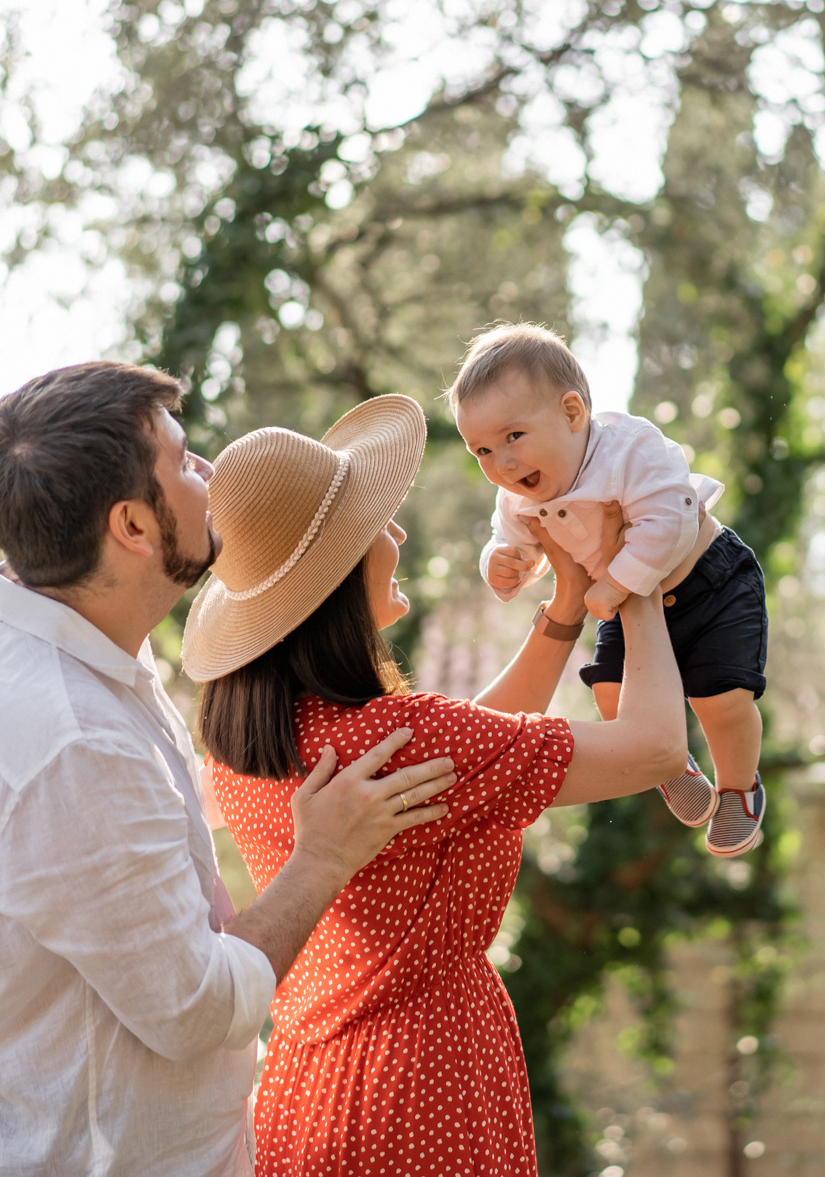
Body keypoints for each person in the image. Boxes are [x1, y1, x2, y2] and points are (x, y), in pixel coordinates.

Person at [0, 362, 459, 1177]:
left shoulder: (12, 629)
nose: (211, 473)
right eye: (183, 462)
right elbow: (197, 1008)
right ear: (133, 525)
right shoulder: (71, 747)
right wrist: (321, 858)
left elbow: (109, 845)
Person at [181, 393, 688, 1177]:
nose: (398, 533)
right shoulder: (405, 737)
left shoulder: (253, 743)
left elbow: (470, 755)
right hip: (426, 1090)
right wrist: (633, 573)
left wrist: (562, 615)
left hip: (306, 1090)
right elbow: (654, 747)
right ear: (338, 574)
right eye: (375, 523)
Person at [449, 322, 771, 857]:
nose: (500, 463)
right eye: (481, 450)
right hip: (619, 603)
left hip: (708, 581)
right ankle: (670, 762)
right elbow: (513, 541)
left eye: (513, 437)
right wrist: (501, 563)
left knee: (720, 700)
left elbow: (671, 518)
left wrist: (618, 582)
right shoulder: (517, 497)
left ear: (572, 413)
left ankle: (739, 789)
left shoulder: (629, 450)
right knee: (610, 694)